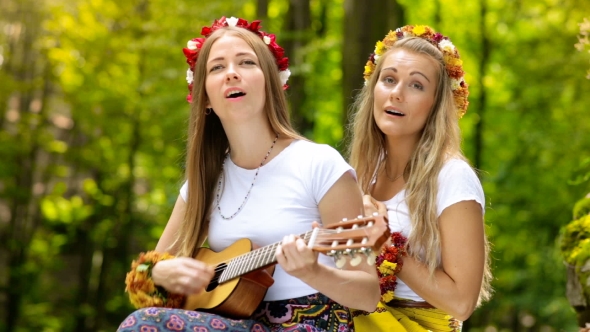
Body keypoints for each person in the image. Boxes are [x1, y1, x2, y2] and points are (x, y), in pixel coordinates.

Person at [118, 16, 381, 332]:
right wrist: (160, 275)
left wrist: (314, 272)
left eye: (246, 62)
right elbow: (145, 276)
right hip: (229, 321)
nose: (231, 73)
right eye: (217, 67)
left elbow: (367, 295)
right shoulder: (204, 182)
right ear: (204, 99)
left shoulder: (319, 164)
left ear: (271, 83)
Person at [347, 25, 493, 331]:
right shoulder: (364, 170)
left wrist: (386, 244)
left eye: (416, 85)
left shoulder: (453, 177)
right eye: (389, 79)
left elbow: (462, 303)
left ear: (436, 104)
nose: (397, 93)